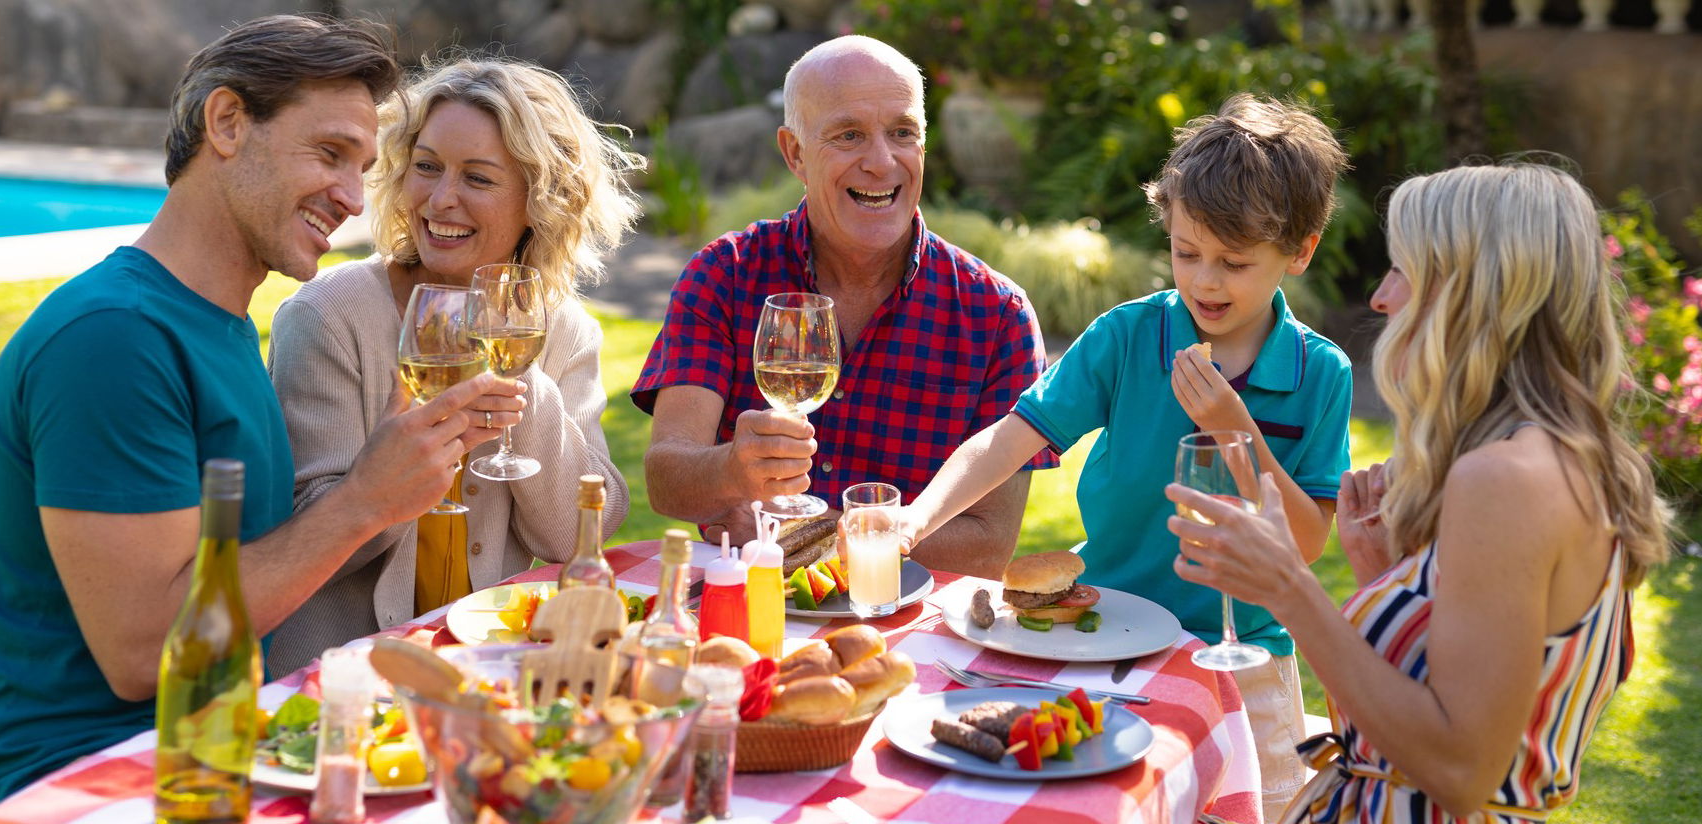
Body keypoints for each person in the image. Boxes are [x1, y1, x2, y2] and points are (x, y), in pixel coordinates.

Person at [0, 17, 521, 822]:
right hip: (86, 785)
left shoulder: (219, 327)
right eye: (328, 154)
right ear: (226, 124)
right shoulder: (113, 339)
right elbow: (147, 653)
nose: (353, 197)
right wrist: (365, 504)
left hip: (220, 760)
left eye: (361, 167)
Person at [1166, 162, 1672, 822]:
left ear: (1474, 291)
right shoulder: (1565, 456)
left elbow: (1460, 771)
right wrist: (1389, 576)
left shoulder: (1505, 481)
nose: (1379, 296)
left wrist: (1287, 588)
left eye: (1403, 268)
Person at [901, 94, 1353, 818]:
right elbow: (1010, 439)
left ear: (1299, 251)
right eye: (1185, 252)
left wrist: (1234, 429)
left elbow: (1303, 540)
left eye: (1234, 263)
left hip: (1248, 657)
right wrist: (914, 519)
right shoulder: (1127, 336)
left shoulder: (1319, 372)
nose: (1204, 281)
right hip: (1112, 635)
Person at [631, 35, 1056, 579]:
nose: (881, 162)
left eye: (902, 133)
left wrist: (809, 534)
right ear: (794, 153)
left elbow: (987, 546)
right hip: (752, 607)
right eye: (848, 135)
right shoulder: (726, 274)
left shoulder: (996, 316)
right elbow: (666, 479)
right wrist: (732, 469)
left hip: (913, 634)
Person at [265, 58, 638, 674]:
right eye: (427, 167)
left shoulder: (561, 329)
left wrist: (525, 382)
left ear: (539, 200)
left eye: (479, 179)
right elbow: (302, 541)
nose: (441, 200)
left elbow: (580, 536)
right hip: (341, 676)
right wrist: (388, 481)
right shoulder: (330, 317)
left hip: (494, 671)